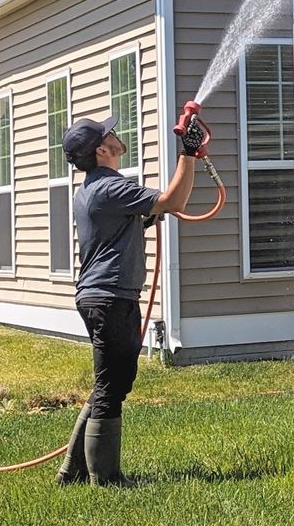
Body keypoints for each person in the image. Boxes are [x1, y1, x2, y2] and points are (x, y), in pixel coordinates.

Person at [53, 112, 208, 486]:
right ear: (102, 149)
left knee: (111, 381)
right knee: (112, 385)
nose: (117, 136)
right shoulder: (110, 188)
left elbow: (124, 223)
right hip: (109, 297)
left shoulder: (91, 189)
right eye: (110, 134)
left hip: (100, 295)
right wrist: (187, 153)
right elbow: (173, 200)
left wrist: (146, 217)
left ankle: (71, 472)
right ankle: (104, 479)